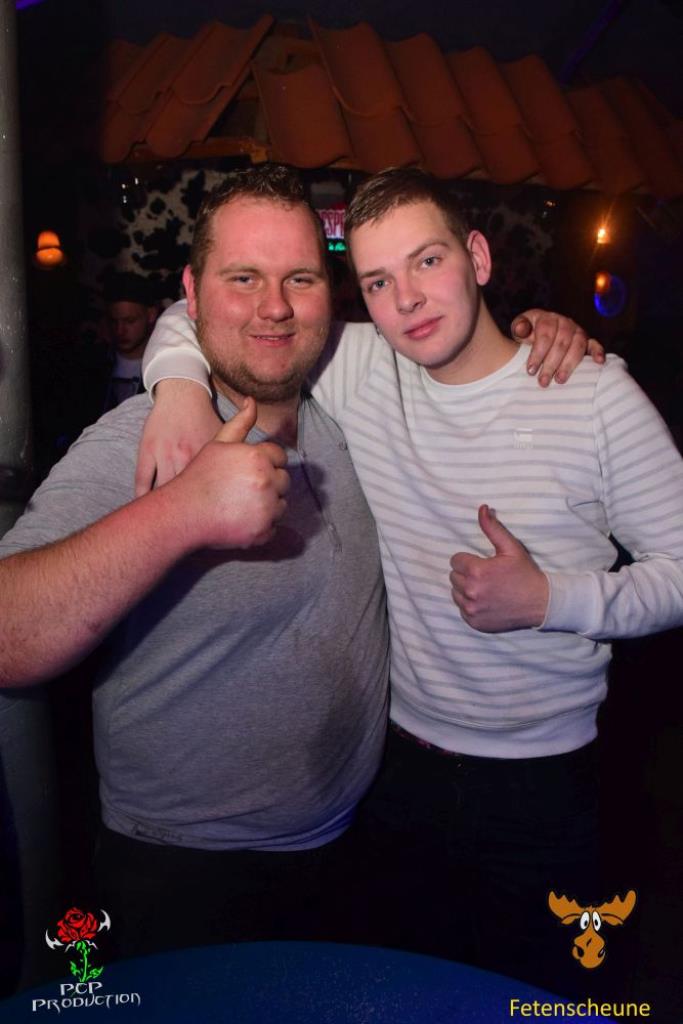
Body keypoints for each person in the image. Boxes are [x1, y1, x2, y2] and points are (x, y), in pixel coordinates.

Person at [139, 167, 683, 993]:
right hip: (395, 775)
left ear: (477, 258)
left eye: (427, 261)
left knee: (547, 1000)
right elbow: (205, 313)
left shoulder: (591, 395)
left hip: (544, 785)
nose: (408, 300)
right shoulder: (360, 368)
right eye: (377, 281)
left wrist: (550, 600)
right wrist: (177, 389)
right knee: (407, 990)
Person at [0, 166, 390, 960]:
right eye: (242, 278)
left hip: (351, 846)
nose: (274, 306)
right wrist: (182, 511)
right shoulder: (144, 439)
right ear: (191, 292)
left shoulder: (344, 406)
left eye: (299, 278)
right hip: (186, 876)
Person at [100, 272, 159, 412]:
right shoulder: (91, 365)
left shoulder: (163, 367)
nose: (120, 330)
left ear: (151, 315)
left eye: (130, 321)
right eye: (113, 321)